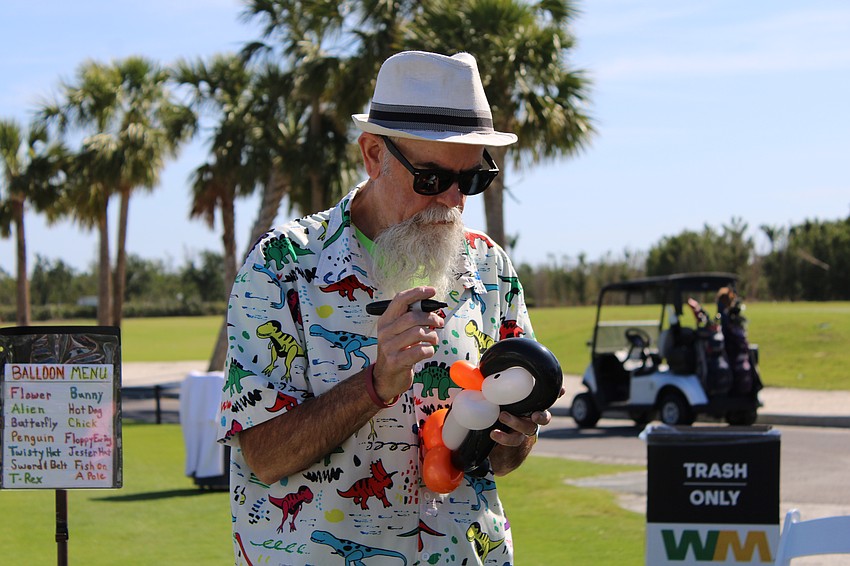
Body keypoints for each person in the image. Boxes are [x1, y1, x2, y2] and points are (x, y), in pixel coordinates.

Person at [217, 50, 553, 566]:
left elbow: (502, 462)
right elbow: (263, 457)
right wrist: (376, 384)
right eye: (431, 179)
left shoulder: (490, 267)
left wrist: (517, 434)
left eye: (472, 180)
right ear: (373, 155)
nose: (453, 202)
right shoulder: (282, 265)